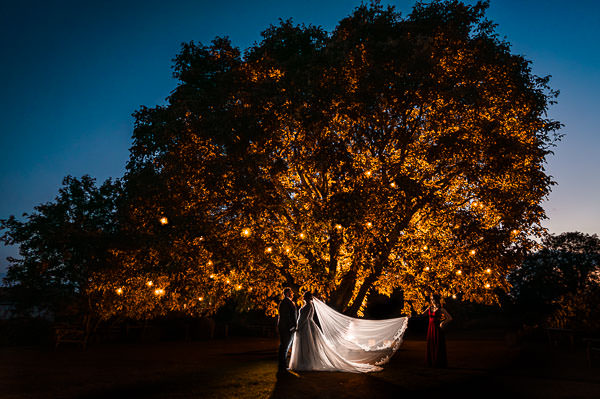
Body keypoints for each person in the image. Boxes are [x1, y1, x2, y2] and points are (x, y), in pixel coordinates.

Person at [289, 291, 408, 373]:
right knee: (307, 346)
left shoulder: (309, 306)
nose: (303, 297)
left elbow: (305, 319)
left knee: (307, 346)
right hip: (306, 327)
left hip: (306, 328)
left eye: (304, 296)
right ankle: (304, 363)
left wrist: (297, 327)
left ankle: (306, 363)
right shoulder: (308, 305)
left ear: (307, 297)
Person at [424, 293, 452, 368]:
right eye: (431, 299)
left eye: (433, 299)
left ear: (436, 299)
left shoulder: (441, 309)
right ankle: (431, 362)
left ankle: (439, 363)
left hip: (437, 329)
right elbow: (422, 315)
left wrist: (442, 322)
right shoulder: (429, 308)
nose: (431, 300)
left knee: (438, 345)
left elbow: (449, 318)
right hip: (430, 329)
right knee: (431, 344)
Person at [277, 287, 297, 372]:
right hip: (287, 327)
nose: (292, 294)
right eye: (291, 292)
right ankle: (282, 365)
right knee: (285, 345)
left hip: (285, 326)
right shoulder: (286, 302)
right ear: (287, 293)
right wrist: (292, 326)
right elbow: (287, 316)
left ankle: (282, 364)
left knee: (284, 345)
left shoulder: (286, 302)